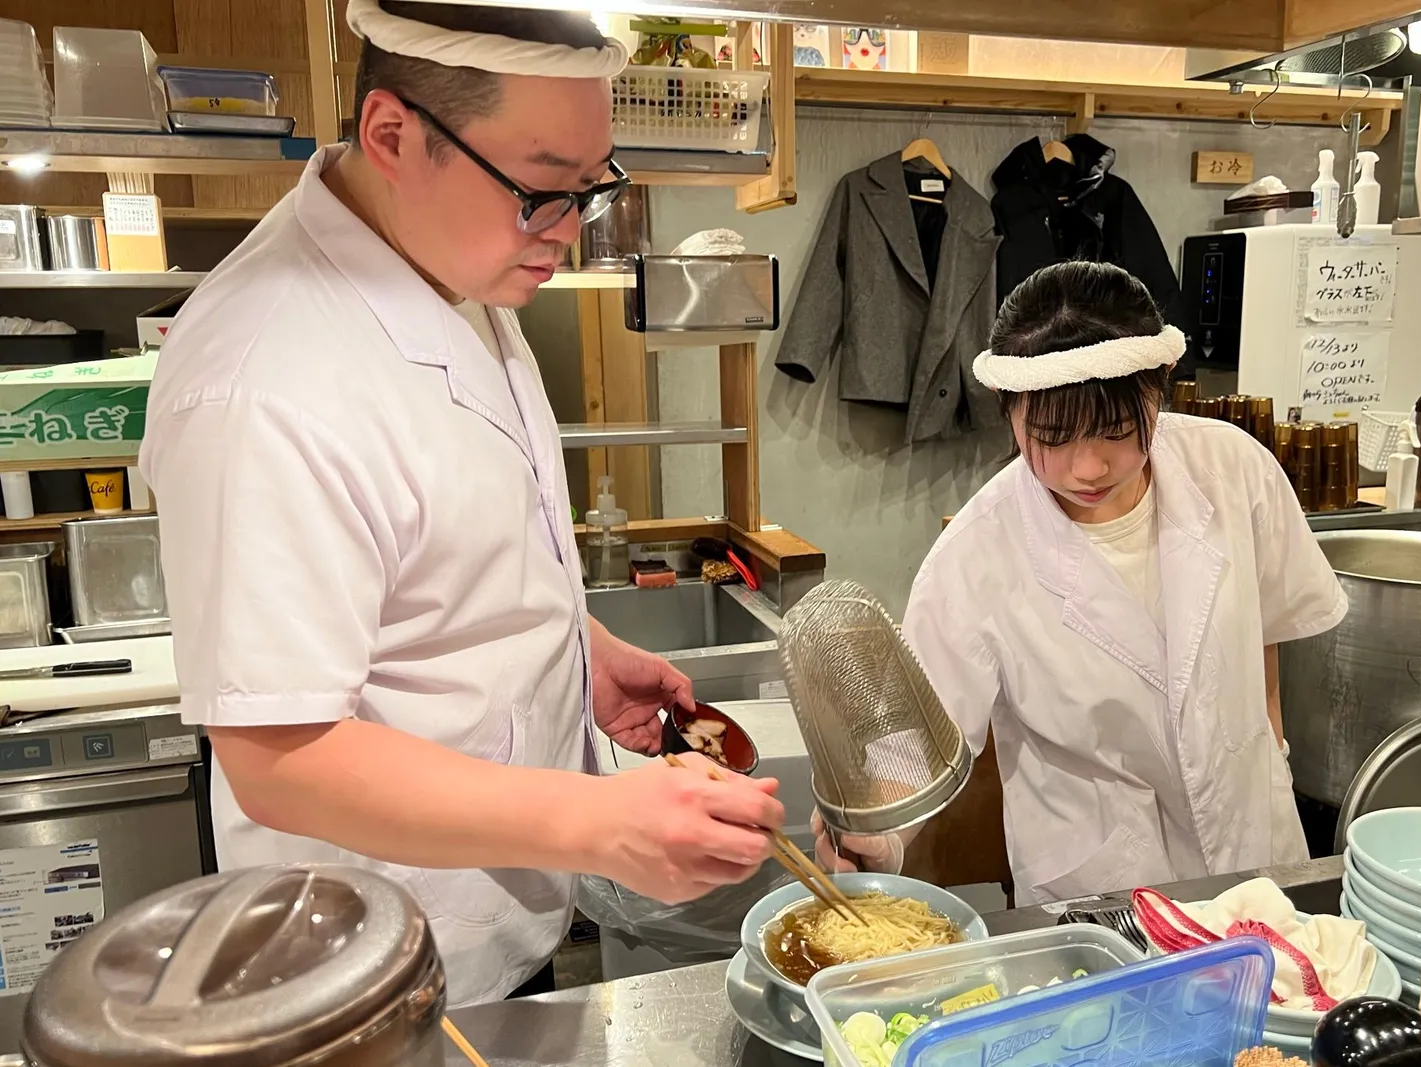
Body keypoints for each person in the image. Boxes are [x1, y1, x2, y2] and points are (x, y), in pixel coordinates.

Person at [140, 0, 783, 1005]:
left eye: (590, 189)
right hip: (363, 971)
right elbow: (279, 756)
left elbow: (445, 543)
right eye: (542, 191)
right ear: (394, 135)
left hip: (490, 932)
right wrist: (599, 823)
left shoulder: (450, 260)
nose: (568, 232)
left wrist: (573, 644)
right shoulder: (265, 377)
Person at [819, 261, 1346, 904]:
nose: (1088, 467)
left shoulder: (1234, 469)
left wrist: (1272, 746)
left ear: (1158, 393)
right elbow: (920, 745)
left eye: (1119, 432)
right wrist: (878, 834)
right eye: (1051, 437)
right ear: (1011, 415)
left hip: (1255, 848)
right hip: (1105, 887)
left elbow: (1271, 627)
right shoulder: (977, 555)